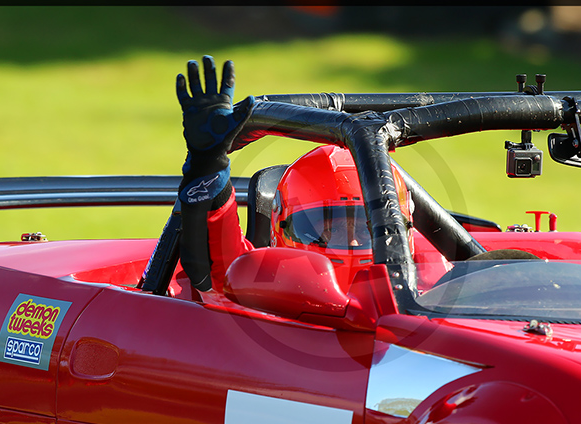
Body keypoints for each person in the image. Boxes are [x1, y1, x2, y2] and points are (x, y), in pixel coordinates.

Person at [176, 55, 416, 299]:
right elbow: (220, 263)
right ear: (281, 225)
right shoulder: (255, 285)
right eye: (330, 231)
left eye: (367, 231)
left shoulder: (438, 281)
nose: (353, 245)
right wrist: (208, 162)